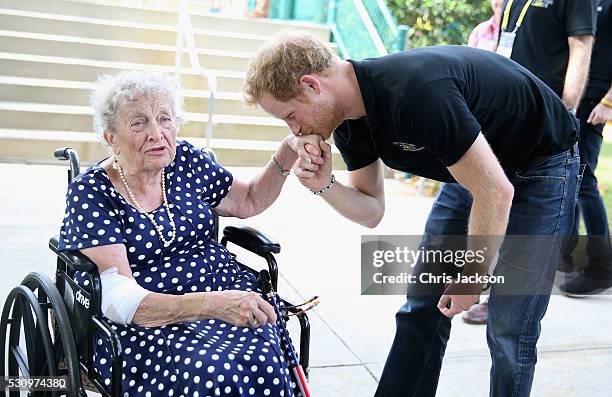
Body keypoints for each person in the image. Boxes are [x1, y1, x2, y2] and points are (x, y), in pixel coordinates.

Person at [244, 31, 581, 396]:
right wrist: (325, 184)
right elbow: (371, 211)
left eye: (291, 116)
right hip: (472, 172)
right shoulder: (349, 121)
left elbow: (495, 192)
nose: (295, 131)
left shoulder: (416, 93)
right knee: (422, 305)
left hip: (542, 164)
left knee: (510, 328)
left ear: (311, 85)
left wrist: (472, 275)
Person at [58, 70, 315, 396]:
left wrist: (289, 149)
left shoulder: (188, 162)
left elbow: (249, 199)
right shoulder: (93, 192)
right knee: (210, 370)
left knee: (264, 359)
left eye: (164, 119)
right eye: (139, 123)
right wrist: (212, 305)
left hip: (228, 295)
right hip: (149, 323)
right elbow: (121, 301)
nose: (157, 134)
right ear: (110, 136)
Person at [463, 0, 596, 323]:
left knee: (526, 219)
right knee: (495, 206)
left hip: (543, 119)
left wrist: (566, 110)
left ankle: (503, 302)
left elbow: (581, 47)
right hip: (505, 113)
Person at [559, 0, 612, 295]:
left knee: (583, 179)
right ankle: (564, 254)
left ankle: (601, 266)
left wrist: (609, 102)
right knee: (570, 176)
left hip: (594, 103)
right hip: (576, 98)